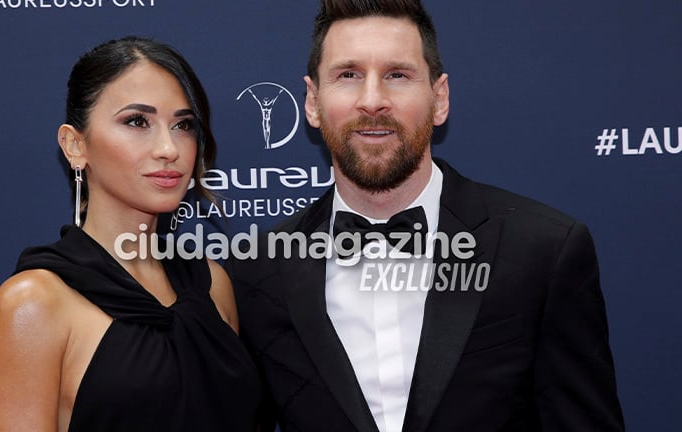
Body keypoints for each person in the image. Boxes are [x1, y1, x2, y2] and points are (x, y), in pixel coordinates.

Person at [228, 1, 625, 431]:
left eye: (397, 75)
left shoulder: (543, 250)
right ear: (312, 102)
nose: (373, 100)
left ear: (439, 99)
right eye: (348, 75)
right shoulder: (258, 268)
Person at [0, 37, 259, 431]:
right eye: (137, 122)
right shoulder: (34, 304)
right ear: (75, 145)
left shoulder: (212, 283)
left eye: (183, 125)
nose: (169, 148)